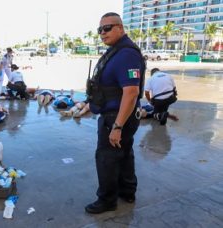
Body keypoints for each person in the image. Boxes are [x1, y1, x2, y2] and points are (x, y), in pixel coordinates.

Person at [85, 12, 146, 214]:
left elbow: (131, 93)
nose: (103, 33)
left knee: (107, 159)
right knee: (124, 155)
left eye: (107, 28)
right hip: (120, 116)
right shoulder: (116, 51)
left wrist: (117, 126)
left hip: (117, 118)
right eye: (100, 29)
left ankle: (107, 200)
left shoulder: (126, 54)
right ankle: (127, 191)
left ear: (120, 28)